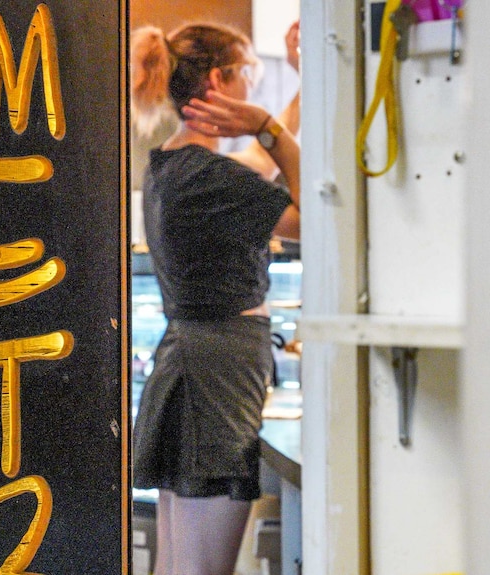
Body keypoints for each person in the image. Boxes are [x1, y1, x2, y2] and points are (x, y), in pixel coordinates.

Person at [130, 19, 302, 575]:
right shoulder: (206, 176)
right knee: (204, 571)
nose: (253, 86)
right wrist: (268, 127)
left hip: (193, 363)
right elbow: (314, 220)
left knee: (178, 567)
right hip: (220, 370)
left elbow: (258, 169)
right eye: (248, 74)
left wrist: (292, 102)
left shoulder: (173, 167)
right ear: (221, 80)